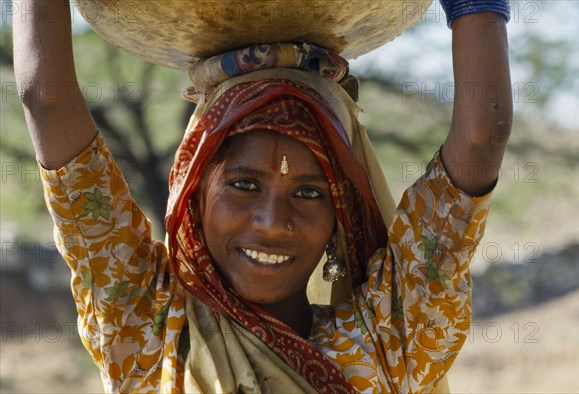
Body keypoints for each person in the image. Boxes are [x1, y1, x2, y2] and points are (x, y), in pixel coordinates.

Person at [13, 0, 512, 392]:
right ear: (195, 191)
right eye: (244, 184)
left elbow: (480, 140)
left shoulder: (386, 339)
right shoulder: (146, 327)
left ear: (339, 214)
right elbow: (46, 98)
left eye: (310, 193)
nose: (273, 221)